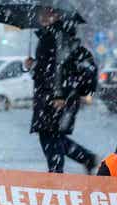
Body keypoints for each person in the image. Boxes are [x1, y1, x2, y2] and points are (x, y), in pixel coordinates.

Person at [24, 8, 98, 174]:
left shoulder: (57, 36)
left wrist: (60, 95)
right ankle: (85, 159)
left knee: (50, 137)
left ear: (57, 15)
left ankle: (57, 175)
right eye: (42, 13)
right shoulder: (49, 35)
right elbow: (46, 71)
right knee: (52, 136)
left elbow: (60, 68)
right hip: (49, 95)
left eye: (48, 13)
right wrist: (33, 66)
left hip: (56, 97)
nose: (42, 16)